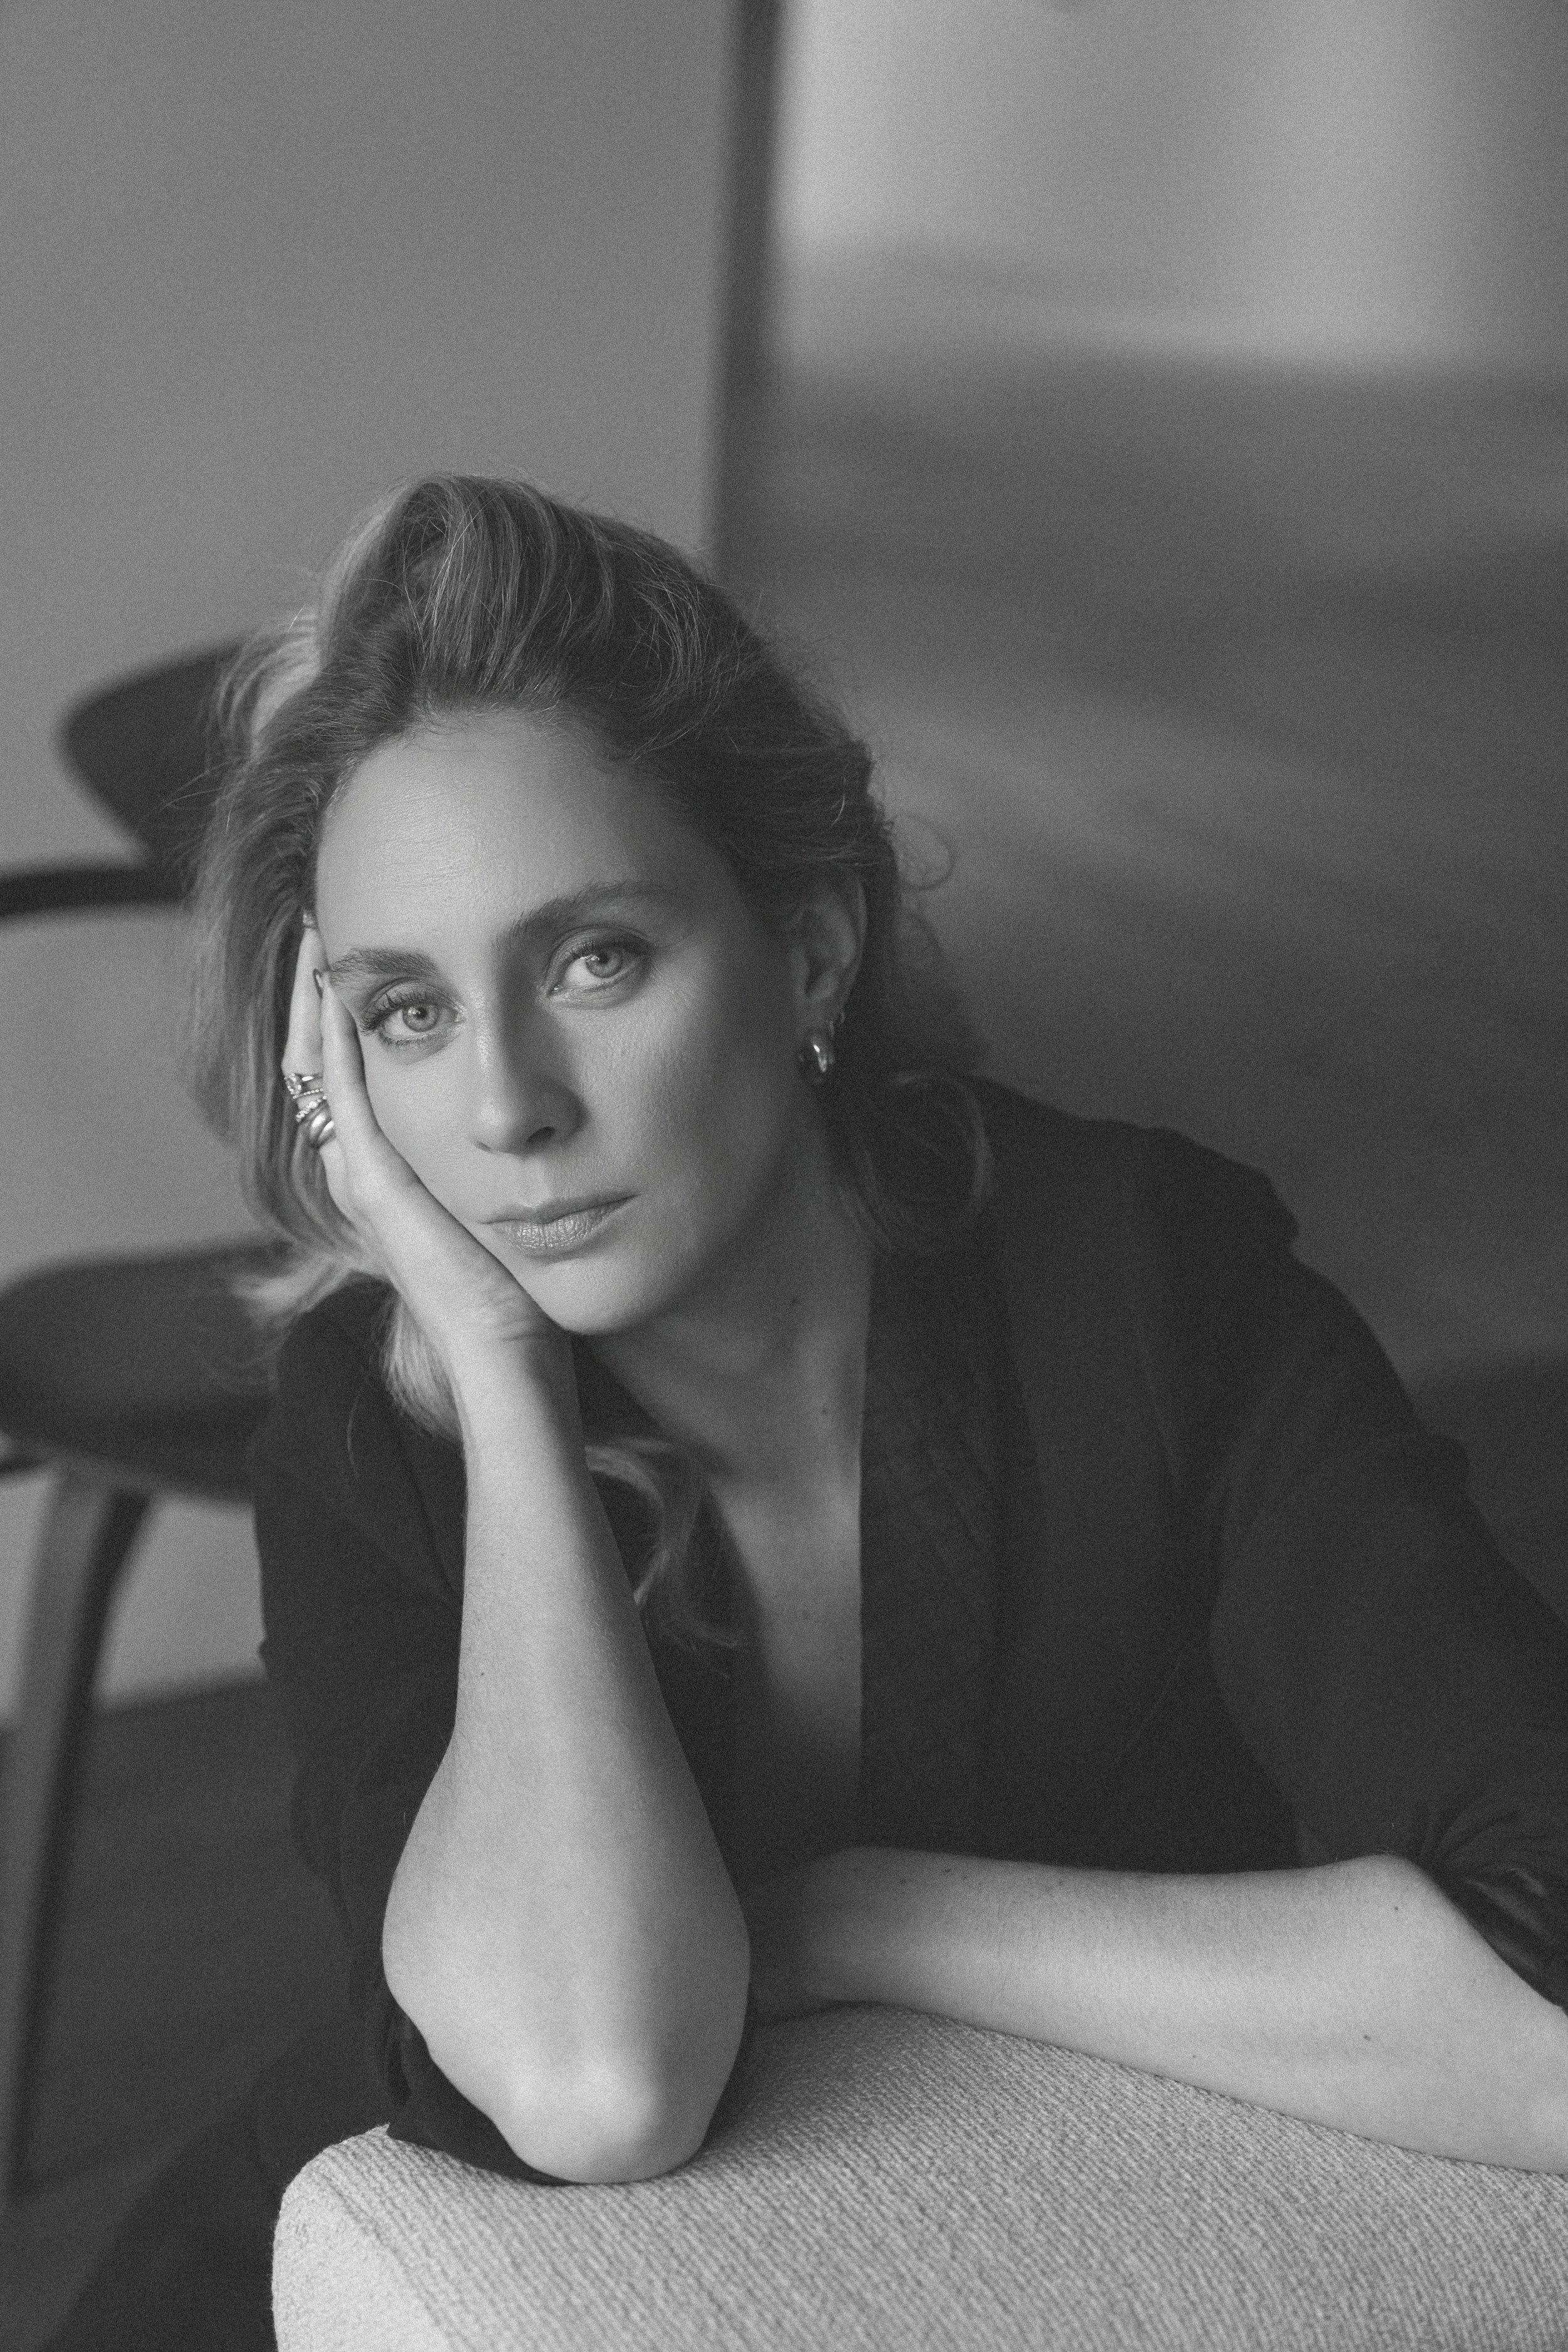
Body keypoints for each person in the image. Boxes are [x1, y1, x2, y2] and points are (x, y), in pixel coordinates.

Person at [50, 475, 1568, 2346]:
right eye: (408, 1012)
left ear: (810, 951)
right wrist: (508, 1377)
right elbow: (595, 2080)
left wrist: (860, 1917)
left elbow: (1548, 2015)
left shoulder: (1152, 1278)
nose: (510, 1107)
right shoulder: (377, 1419)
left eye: (592, 957)